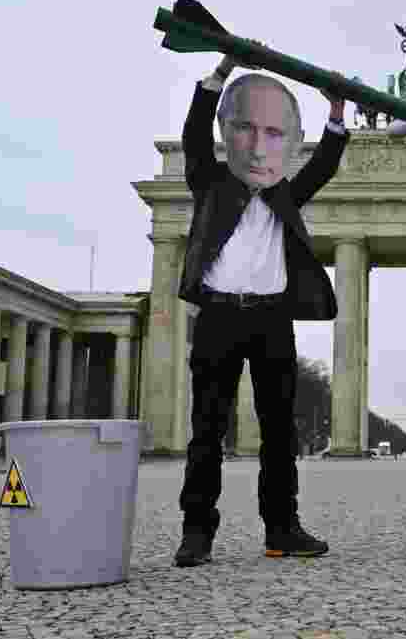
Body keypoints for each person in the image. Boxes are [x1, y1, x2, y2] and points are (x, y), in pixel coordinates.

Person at [173, 52, 350, 567]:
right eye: (244, 132)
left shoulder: (287, 197)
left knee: (280, 432)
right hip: (219, 316)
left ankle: (282, 529)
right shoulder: (209, 182)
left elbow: (325, 164)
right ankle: (196, 533)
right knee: (207, 427)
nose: (257, 149)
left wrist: (336, 114)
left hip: (272, 319)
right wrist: (220, 76)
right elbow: (192, 136)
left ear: (287, 149)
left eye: (273, 137)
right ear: (229, 138)